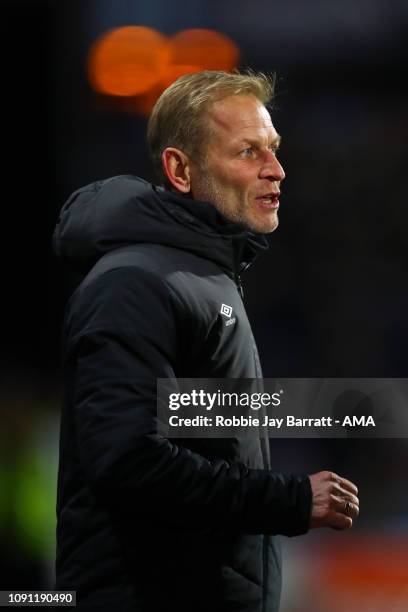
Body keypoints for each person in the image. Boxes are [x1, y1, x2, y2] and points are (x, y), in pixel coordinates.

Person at [53, 70, 359, 611]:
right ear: (180, 169)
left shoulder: (201, 278)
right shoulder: (137, 282)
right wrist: (289, 499)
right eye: (248, 152)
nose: (276, 170)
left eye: (274, 149)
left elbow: (195, 423)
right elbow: (128, 460)